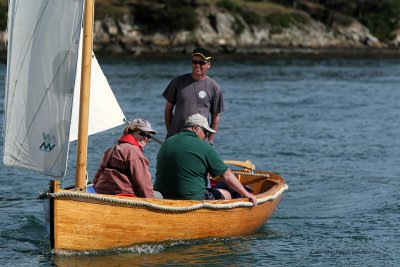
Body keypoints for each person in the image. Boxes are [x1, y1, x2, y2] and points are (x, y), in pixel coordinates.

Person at [154, 114, 257, 206]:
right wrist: (246, 194)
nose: (206, 137)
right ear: (195, 128)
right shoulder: (204, 147)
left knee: (222, 186)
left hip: (164, 197)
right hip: (192, 199)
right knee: (227, 193)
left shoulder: (167, 143)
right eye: (206, 132)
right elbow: (227, 175)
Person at [162, 47, 224, 144]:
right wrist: (170, 133)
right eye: (194, 62)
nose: (197, 65)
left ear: (208, 65)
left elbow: (215, 116)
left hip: (198, 141)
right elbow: (168, 109)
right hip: (175, 138)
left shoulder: (215, 87)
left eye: (201, 63)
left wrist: (210, 141)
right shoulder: (177, 82)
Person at [94, 119, 158, 198]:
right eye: (142, 134)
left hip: (102, 194)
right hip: (124, 197)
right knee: (159, 195)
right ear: (131, 132)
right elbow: (143, 183)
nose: (145, 138)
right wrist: (151, 203)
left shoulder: (111, 149)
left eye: (148, 136)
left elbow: (97, 177)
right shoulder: (134, 152)